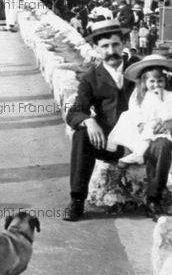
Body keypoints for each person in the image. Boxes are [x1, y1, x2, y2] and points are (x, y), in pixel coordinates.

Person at [63, 20, 170, 222]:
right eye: (104, 46)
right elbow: (74, 113)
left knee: (163, 144)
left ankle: (154, 201)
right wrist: (88, 120)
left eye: (115, 44)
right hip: (114, 143)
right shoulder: (91, 78)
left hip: (146, 139)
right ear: (95, 48)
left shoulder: (143, 69)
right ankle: (77, 199)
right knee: (81, 135)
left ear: (123, 43)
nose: (111, 51)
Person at [108, 56, 172, 168]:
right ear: (144, 81)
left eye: (160, 81)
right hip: (144, 122)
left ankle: (141, 155)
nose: (156, 85)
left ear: (165, 80)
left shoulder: (168, 94)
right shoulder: (139, 93)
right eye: (152, 81)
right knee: (127, 117)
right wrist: (140, 123)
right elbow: (134, 109)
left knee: (157, 137)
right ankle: (136, 154)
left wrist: (167, 121)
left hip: (163, 123)